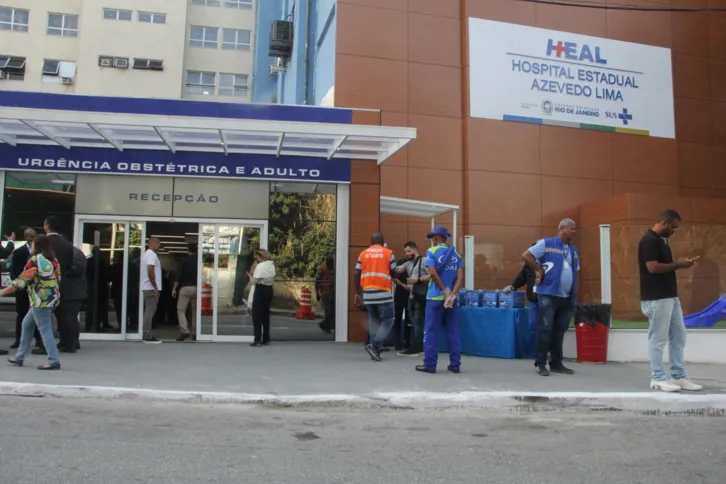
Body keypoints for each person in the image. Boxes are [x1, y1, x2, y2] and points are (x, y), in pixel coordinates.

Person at [638, 209, 702, 393]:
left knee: (679, 336)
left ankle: (678, 375)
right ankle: (657, 377)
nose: (675, 231)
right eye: (673, 227)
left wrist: (680, 264)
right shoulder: (649, 240)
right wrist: (679, 265)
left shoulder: (662, 241)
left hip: (669, 297)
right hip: (656, 297)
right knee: (658, 338)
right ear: (664, 223)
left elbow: (662, 266)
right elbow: (652, 268)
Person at [522, 218, 579, 377]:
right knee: (544, 329)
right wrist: (539, 270)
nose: (575, 232)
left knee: (560, 330)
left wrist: (574, 295)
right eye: (572, 229)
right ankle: (540, 363)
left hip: (566, 296)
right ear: (562, 229)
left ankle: (556, 363)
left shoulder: (573, 250)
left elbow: (575, 273)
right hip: (548, 293)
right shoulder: (546, 244)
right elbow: (527, 255)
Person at [1, 234, 62, 370]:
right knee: (27, 324)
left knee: (45, 329)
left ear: (37, 245)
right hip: (52, 299)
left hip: (40, 301)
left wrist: (2, 292)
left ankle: (53, 360)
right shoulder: (53, 260)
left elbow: (21, 282)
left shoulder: (35, 260)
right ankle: (19, 357)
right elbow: (58, 279)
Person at [416, 227, 464, 374]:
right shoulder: (456, 254)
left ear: (436, 238)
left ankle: (430, 365)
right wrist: (452, 295)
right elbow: (460, 278)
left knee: (430, 331)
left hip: (435, 298)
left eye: (433, 238)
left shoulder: (432, 252)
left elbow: (432, 273)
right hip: (451, 300)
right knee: (453, 331)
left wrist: (443, 290)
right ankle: (455, 364)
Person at [354, 232, 397, 362]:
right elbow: (394, 272)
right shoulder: (388, 253)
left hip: (368, 294)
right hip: (383, 293)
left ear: (371, 242)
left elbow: (356, 273)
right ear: (383, 241)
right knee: (388, 320)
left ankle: (375, 351)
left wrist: (357, 292)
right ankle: (375, 345)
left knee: (373, 322)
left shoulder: (363, 254)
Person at [43, 216, 79, 353]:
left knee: (43, 318)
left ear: (47, 225)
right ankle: (68, 343)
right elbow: (69, 265)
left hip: (45, 285)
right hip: (62, 284)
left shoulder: (44, 242)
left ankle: (44, 345)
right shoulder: (67, 244)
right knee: (64, 316)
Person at [9, 229, 43, 353]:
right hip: (22, 290)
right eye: (31, 236)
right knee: (22, 315)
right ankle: (19, 340)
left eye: (35, 236)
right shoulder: (19, 252)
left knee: (37, 317)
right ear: (26, 237)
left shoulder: (41, 254)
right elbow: (14, 272)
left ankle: (39, 340)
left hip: (36, 291)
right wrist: (19, 285)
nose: (33, 238)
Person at [397, 242, 430, 357]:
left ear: (415, 249)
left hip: (420, 296)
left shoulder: (424, 260)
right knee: (414, 322)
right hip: (412, 296)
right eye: (406, 252)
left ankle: (416, 346)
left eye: (409, 251)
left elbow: (433, 275)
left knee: (418, 321)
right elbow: (396, 270)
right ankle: (417, 345)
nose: (407, 253)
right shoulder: (407, 264)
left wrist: (418, 280)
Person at [503, 242, 538, 333]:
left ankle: (547, 345)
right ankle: (537, 344)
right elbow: (522, 277)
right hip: (533, 299)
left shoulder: (548, 264)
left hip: (547, 299)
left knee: (547, 325)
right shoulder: (529, 265)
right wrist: (512, 286)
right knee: (533, 323)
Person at [248, 249, 276, 347]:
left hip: (260, 289)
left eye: (257, 257)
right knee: (265, 314)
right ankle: (266, 338)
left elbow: (255, 281)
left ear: (260, 257)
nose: (257, 259)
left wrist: (249, 276)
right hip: (269, 290)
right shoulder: (271, 265)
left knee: (256, 315)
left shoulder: (260, 266)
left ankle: (257, 340)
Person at [172, 244, 198, 341]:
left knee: (181, 310)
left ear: (188, 250)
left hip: (185, 288)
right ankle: (195, 332)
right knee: (195, 311)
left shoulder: (184, 261)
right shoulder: (199, 261)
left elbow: (179, 276)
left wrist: (174, 288)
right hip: (196, 288)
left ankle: (184, 330)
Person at [141, 237, 162, 343]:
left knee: (149, 311)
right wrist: (155, 287)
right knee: (150, 311)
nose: (159, 245)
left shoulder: (147, 254)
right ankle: (147, 335)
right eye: (157, 243)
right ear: (151, 243)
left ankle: (146, 333)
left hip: (149, 287)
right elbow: (150, 270)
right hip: (151, 288)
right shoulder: (151, 255)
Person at [315, 255, 335, 334]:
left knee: (333, 311)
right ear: (327, 262)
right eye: (330, 262)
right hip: (325, 293)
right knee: (328, 311)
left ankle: (324, 324)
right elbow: (317, 281)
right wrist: (317, 293)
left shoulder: (334, 269)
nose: (332, 264)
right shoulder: (322, 269)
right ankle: (326, 326)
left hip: (332, 293)